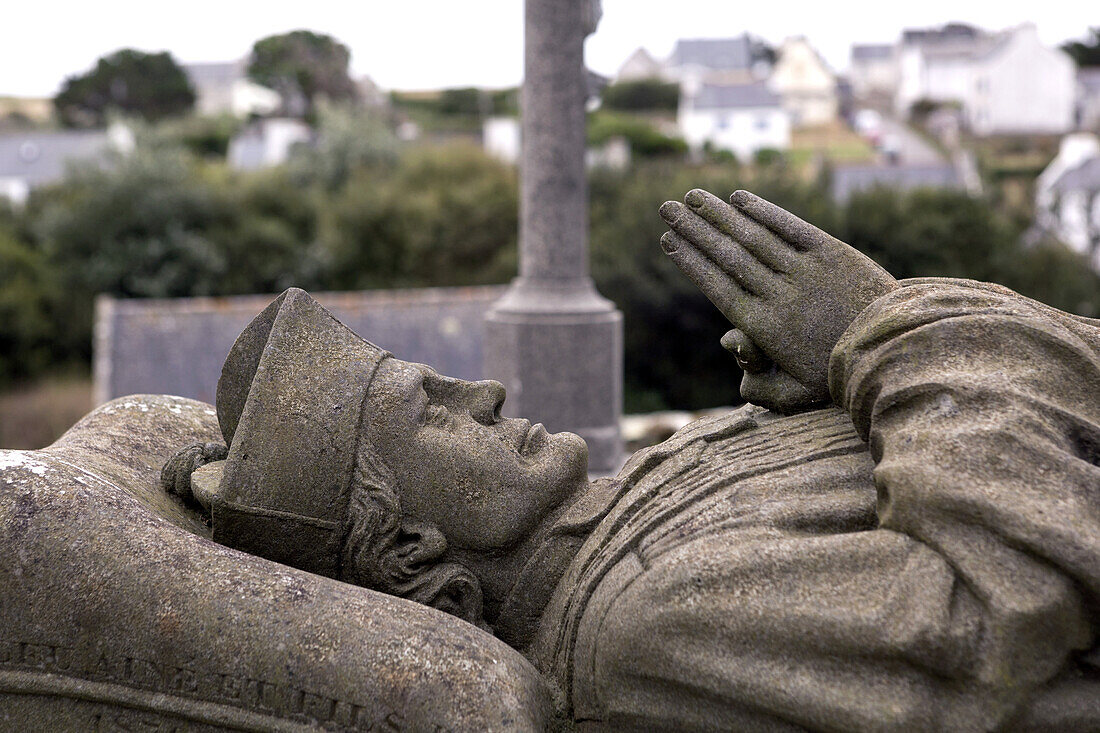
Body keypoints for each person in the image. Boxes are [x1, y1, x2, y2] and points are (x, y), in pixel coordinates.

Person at [164, 190, 1100, 730]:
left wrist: (838, 392)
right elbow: (1004, 603)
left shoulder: (630, 512)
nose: (481, 395)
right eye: (432, 413)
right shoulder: (656, 624)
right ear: (411, 545)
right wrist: (884, 330)